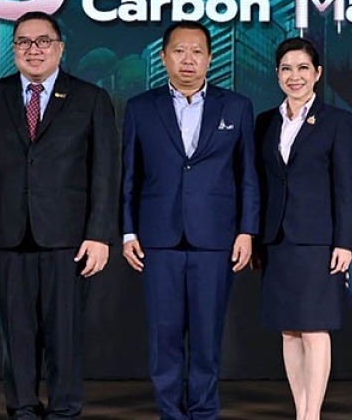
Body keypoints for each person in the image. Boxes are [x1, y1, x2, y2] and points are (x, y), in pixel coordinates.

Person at [0, 12, 120, 420]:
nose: (34, 50)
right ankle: (23, 408)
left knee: (65, 332)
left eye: (43, 41)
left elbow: (105, 172)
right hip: (5, 233)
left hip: (69, 237)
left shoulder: (90, 98)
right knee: (15, 332)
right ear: (14, 49)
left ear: (60, 48)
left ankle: (64, 408)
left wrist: (99, 234)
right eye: (24, 42)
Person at [120, 21, 259, 420]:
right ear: (164, 57)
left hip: (215, 238)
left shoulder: (236, 106)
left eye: (197, 51)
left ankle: (203, 410)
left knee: (207, 335)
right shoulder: (140, 107)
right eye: (179, 51)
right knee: (163, 334)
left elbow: (247, 175)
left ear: (210, 58)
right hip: (157, 238)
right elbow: (130, 175)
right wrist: (128, 231)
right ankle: (169, 411)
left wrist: (247, 230)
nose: (188, 59)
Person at [253, 37, 352, 420]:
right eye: (286, 68)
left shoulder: (337, 121)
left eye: (302, 68)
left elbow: (346, 186)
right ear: (277, 73)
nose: (294, 76)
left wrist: (344, 242)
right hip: (276, 241)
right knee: (289, 331)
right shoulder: (265, 121)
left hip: (318, 242)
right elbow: (260, 183)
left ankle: (312, 414)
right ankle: (301, 411)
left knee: (314, 330)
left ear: (317, 73)